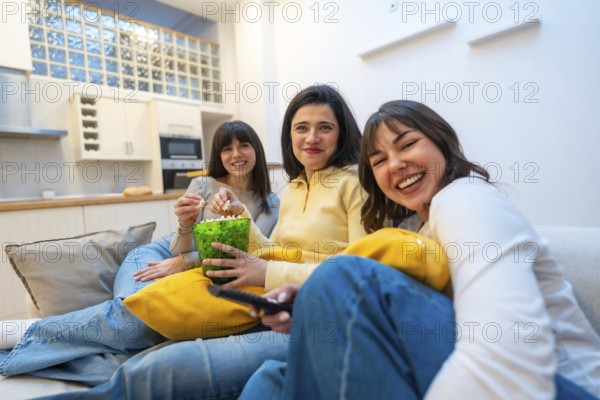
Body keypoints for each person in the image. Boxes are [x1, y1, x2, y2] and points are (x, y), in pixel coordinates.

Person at [239, 100, 600, 399]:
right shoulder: (412, 229)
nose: (395, 164)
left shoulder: (465, 198)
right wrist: (315, 302)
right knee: (270, 380)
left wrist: (331, 289)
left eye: (408, 144)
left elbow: (508, 353)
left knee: (341, 274)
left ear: (445, 143)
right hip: (454, 352)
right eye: (379, 160)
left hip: (557, 384)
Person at [38, 84, 367, 399]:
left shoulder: (317, 190)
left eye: (324, 127)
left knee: (139, 329)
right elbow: (270, 248)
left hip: (232, 274)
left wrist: (252, 259)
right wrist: (197, 225)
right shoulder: (290, 188)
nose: (311, 137)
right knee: (132, 314)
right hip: (171, 251)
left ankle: (34, 342)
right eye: (301, 128)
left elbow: (340, 268)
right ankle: (34, 337)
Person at [0, 120, 279, 386]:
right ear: (219, 156)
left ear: (256, 148)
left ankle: (21, 354)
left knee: (145, 334)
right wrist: (184, 224)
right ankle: (12, 334)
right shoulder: (203, 185)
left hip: (187, 267)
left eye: (243, 145)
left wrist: (184, 263)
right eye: (226, 148)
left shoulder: (271, 204)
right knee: (134, 319)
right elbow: (178, 246)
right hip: (155, 255)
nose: (236, 154)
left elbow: (245, 253)